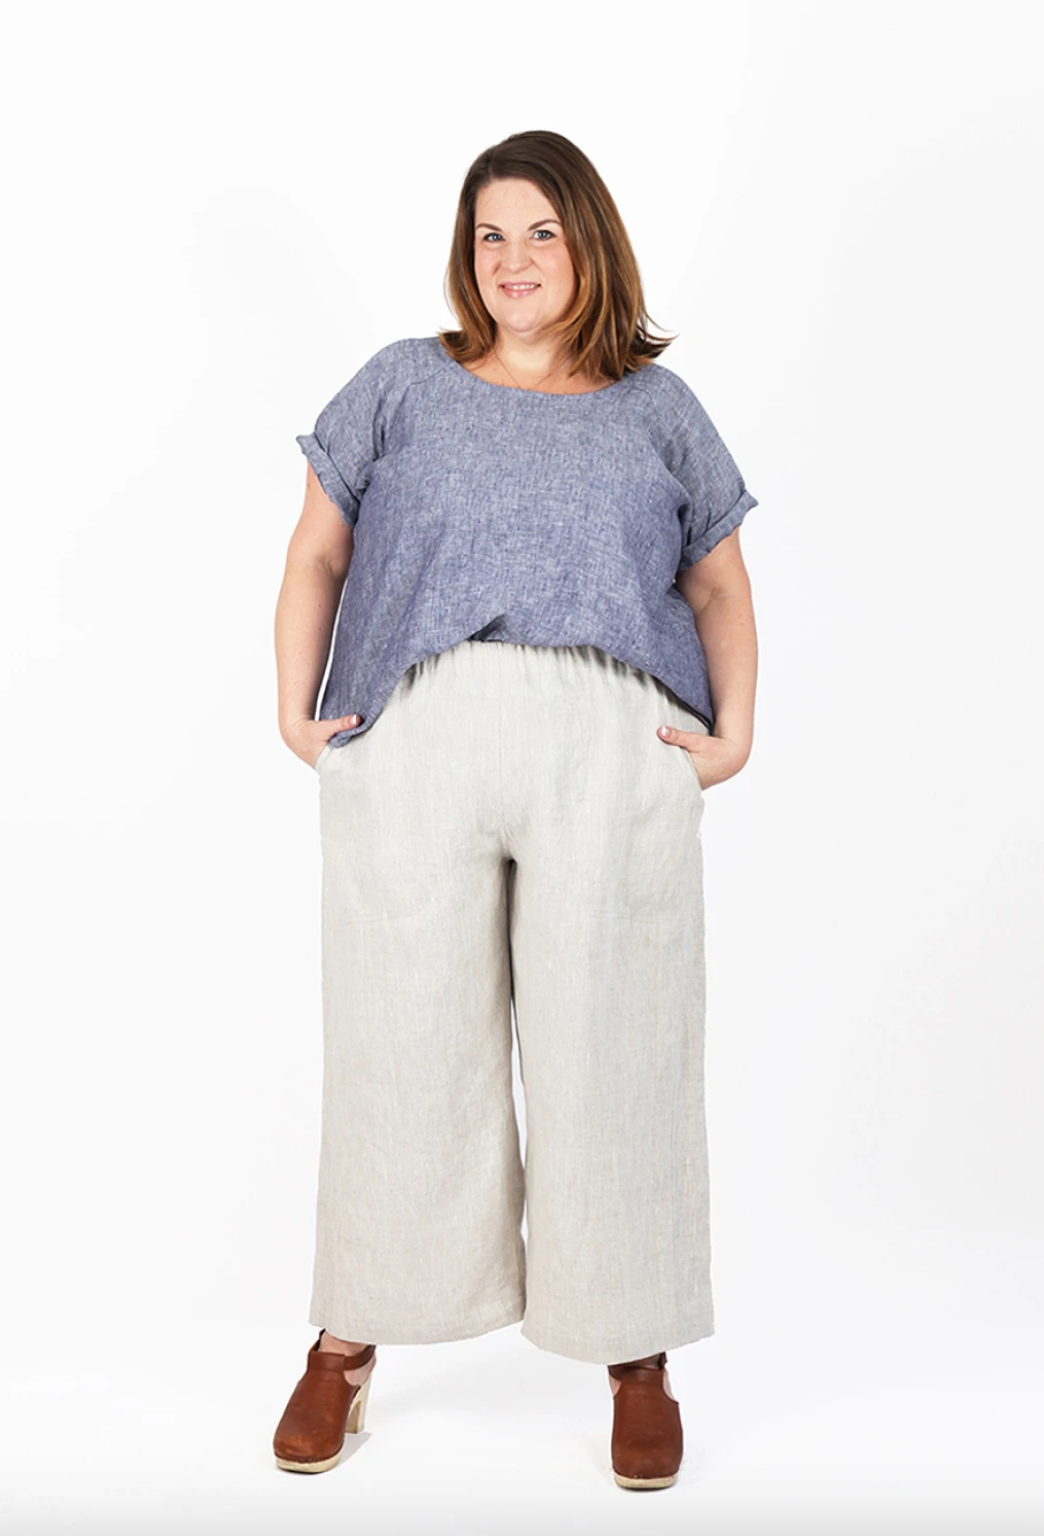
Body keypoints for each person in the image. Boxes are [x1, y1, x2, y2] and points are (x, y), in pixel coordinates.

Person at [271, 128, 760, 1490]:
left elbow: (719, 588)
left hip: (608, 743)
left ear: (588, 243)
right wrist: (293, 708)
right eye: (491, 234)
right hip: (416, 731)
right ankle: (349, 1340)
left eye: (540, 231)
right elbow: (318, 553)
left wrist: (732, 738)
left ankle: (637, 1353)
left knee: (616, 1043)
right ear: (464, 253)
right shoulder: (399, 388)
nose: (514, 260)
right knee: (399, 1041)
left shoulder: (658, 410)